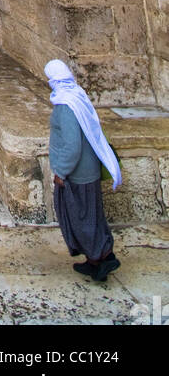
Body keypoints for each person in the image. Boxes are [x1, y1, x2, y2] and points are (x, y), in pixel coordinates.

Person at [45, 59, 121, 282]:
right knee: (90, 216)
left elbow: (72, 145)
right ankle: (94, 261)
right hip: (89, 171)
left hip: (78, 174)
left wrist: (61, 171)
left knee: (81, 218)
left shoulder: (66, 106)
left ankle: (104, 257)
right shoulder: (77, 96)